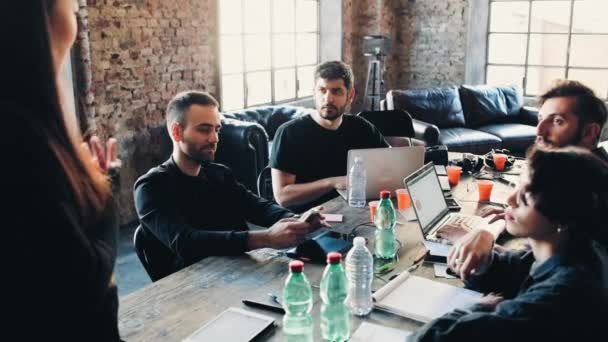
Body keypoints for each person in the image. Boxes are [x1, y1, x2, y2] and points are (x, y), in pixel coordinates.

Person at [3, 0, 122, 340]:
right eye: (71, 5)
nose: (77, 10)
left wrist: (84, 190)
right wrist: (106, 194)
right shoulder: (18, 135)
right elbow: (82, 277)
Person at [409, 146, 608, 341]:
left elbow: (425, 339)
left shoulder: (561, 295)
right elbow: (516, 270)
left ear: (564, 214)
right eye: (516, 187)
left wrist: (479, 307)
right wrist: (482, 260)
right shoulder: (574, 249)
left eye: (526, 196)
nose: (510, 200)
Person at [133, 91, 327, 274]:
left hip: (240, 271)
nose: (214, 138)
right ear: (176, 132)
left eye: (217, 129)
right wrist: (266, 238)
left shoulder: (220, 174)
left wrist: (297, 220)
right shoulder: (151, 187)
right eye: (204, 130)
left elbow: (257, 207)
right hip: (191, 288)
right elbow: (185, 242)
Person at [438, 80, 608, 256]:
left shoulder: (593, 192)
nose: (539, 131)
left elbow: (544, 268)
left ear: (589, 133)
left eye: (557, 121)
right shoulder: (567, 176)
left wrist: (485, 242)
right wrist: (518, 216)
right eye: (540, 119)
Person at [270, 61, 389, 212]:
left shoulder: (362, 128)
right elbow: (283, 197)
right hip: (308, 220)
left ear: (350, 95)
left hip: (355, 212)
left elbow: (389, 166)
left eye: (336, 91)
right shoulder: (289, 133)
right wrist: (332, 183)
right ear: (314, 92)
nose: (328, 99)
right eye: (322, 90)